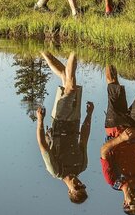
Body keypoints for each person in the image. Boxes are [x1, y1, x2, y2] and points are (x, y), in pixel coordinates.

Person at [35, 50, 94, 204]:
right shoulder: (82, 166)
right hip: (75, 121)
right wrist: (89, 115)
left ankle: (75, 48)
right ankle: (43, 50)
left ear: (70, 191)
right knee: (64, 77)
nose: (79, 183)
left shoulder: (56, 171)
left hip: (59, 122)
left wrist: (40, 120)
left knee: (71, 87)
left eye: (77, 188)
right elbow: (84, 139)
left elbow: (42, 146)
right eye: (82, 186)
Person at [100, 63, 135, 215]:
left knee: (113, 83)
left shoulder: (112, 180)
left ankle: (109, 53)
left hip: (115, 127)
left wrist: (121, 138)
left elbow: (103, 151)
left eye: (132, 203)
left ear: (125, 203)